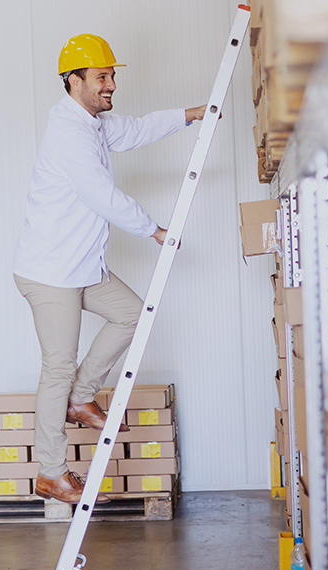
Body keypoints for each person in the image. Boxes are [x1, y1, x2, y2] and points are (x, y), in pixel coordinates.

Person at [13, 34, 207, 504]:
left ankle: (82, 398)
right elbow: (102, 195)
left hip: (80, 265)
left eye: (112, 75)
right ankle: (52, 472)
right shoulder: (69, 134)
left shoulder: (94, 124)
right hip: (50, 272)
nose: (111, 84)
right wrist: (154, 231)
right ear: (73, 80)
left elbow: (136, 130)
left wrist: (190, 115)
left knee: (132, 314)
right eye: (102, 76)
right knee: (56, 366)